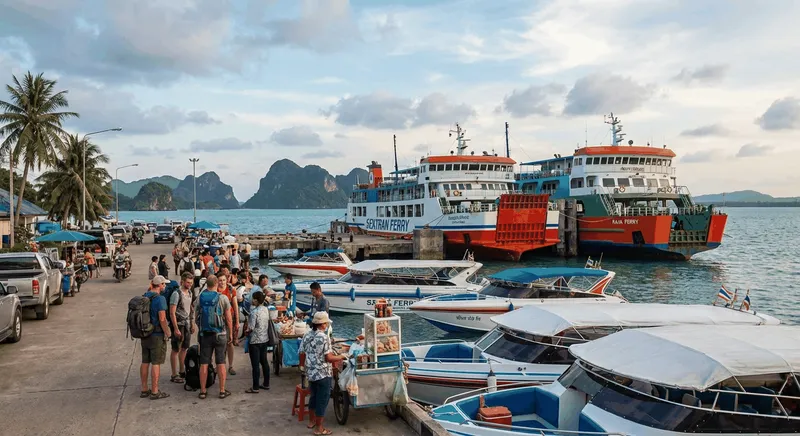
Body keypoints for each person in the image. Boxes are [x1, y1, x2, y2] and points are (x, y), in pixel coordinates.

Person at [300, 312, 346, 435]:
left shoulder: (307, 334)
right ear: (322, 324)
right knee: (322, 400)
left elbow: (302, 352)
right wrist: (341, 356)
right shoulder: (324, 337)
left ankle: (311, 421)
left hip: (311, 373)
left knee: (313, 396)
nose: (326, 325)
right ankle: (319, 428)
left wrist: (302, 367)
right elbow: (329, 358)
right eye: (326, 323)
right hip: (323, 373)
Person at [194, 275, 233, 399]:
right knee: (221, 362)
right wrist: (230, 333)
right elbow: (228, 318)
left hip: (205, 334)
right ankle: (222, 390)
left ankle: (203, 391)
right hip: (220, 334)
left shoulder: (200, 298)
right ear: (216, 284)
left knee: (204, 363)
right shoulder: (223, 298)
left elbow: (196, 317)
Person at [140, 275, 171, 400]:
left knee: (145, 362)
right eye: (164, 284)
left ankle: (144, 389)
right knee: (156, 363)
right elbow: (162, 319)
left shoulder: (144, 296)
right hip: (156, 335)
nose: (165, 286)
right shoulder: (160, 299)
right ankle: (155, 391)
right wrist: (167, 332)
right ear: (161, 285)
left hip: (144, 334)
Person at [169, 272, 196, 384]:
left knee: (184, 348)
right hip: (179, 325)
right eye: (188, 282)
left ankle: (181, 370)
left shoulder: (190, 293)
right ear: (183, 281)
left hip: (187, 324)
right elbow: (172, 312)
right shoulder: (176, 294)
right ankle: (174, 374)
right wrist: (175, 328)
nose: (190, 284)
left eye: (191, 282)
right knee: (175, 349)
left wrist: (192, 323)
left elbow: (190, 309)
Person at [244, 291, 270, 393]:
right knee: (264, 362)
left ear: (256, 300)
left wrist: (246, 332)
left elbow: (251, 327)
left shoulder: (254, 312)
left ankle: (255, 387)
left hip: (255, 341)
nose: (252, 300)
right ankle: (266, 383)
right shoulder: (266, 310)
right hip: (265, 339)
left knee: (255, 365)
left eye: (253, 298)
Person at [218, 274, 240, 375]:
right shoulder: (215, 290)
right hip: (218, 319)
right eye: (220, 280)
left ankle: (230, 366)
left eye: (223, 280)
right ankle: (218, 365)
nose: (222, 282)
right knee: (218, 343)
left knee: (230, 343)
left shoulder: (231, 290)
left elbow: (235, 306)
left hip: (229, 318)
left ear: (226, 281)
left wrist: (237, 322)